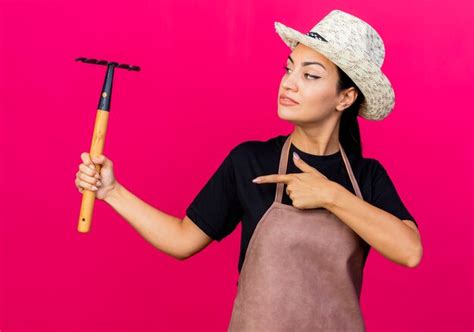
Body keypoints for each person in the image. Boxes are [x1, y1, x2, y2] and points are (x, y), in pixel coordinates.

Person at [75, 9, 423, 330]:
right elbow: (182, 240)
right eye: (289, 69)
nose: (289, 83)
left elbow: (409, 251)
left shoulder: (366, 177)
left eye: (310, 75)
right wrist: (111, 191)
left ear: (344, 98)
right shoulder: (250, 161)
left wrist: (332, 196)